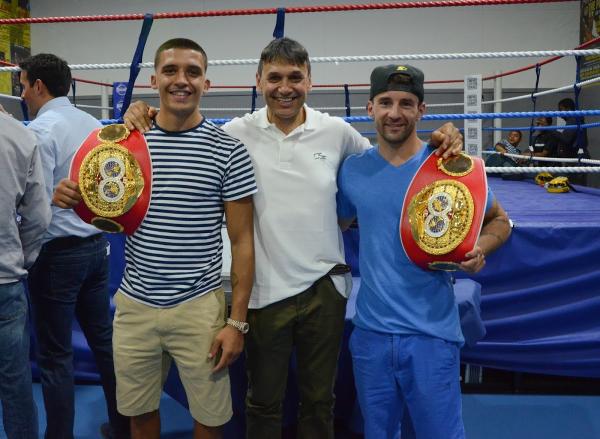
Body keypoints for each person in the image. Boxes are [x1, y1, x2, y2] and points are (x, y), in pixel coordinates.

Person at [123, 37, 462, 439]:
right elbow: (185, 125)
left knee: (319, 400)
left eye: (295, 78)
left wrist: (443, 139)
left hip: (324, 288)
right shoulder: (235, 133)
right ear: (259, 81)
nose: (285, 87)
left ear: (310, 82)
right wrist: (140, 112)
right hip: (265, 290)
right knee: (263, 401)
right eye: (275, 78)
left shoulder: (336, 133)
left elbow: (390, 159)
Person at [54, 38, 256, 439]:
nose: (181, 80)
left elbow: (243, 242)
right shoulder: (127, 142)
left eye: (192, 72)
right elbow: (103, 206)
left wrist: (237, 322)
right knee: (140, 414)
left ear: (207, 83)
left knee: (210, 419)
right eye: (171, 71)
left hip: (199, 306)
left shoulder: (230, 152)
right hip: (136, 307)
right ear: (154, 80)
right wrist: (73, 198)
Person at [336, 64, 511, 439]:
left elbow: (501, 221)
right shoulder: (351, 172)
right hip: (371, 333)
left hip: (432, 333)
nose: (394, 113)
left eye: (406, 103)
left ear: (422, 110)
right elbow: (336, 223)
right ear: (370, 108)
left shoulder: (449, 167)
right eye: (385, 102)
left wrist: (480, 247)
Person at [19, 53, 130, 439]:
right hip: (97, 248)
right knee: (104, 342)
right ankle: (122, 427)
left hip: (56, 255)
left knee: (54, 354)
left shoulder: (39, 130)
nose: (21, 92)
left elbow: (34, 203)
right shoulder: (93, 123)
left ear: (38, 86)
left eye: (22, 84)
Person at [0, 112, 50, 439]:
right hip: (6, 279)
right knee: (15, 381)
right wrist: (22, 260)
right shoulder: (18, 134)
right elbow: (39, 218)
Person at [556, 98, 590, 185]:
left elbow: (566, 139)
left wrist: (551, 131)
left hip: (577, 158)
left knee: (576, 187)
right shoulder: (575, 119)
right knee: (575, 187)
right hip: (576, 157)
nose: (559, 112)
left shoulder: (574, 119)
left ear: (568, 109)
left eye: (561, 109)